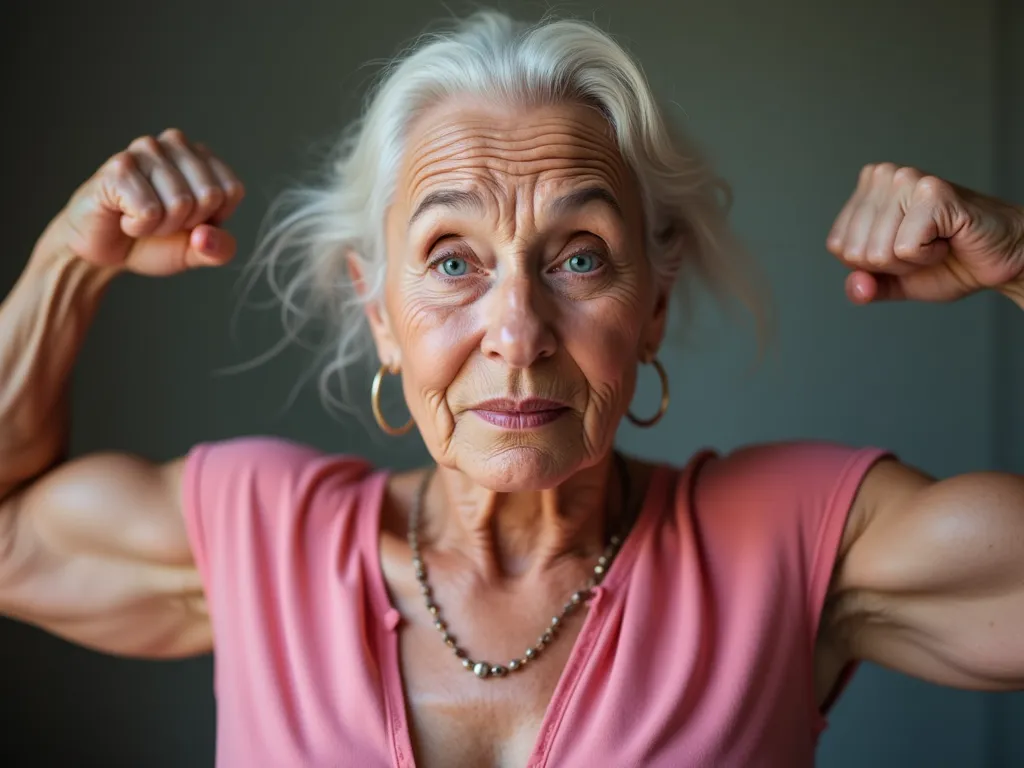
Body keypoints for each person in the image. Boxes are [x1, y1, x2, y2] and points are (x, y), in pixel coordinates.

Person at [0, 10, 1022, 768]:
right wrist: (65, 263)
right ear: (377, 313)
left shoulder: (790, 541)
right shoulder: (262, 533)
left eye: (579, 256)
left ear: (654, 303)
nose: (519, 333)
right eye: (451, 260)